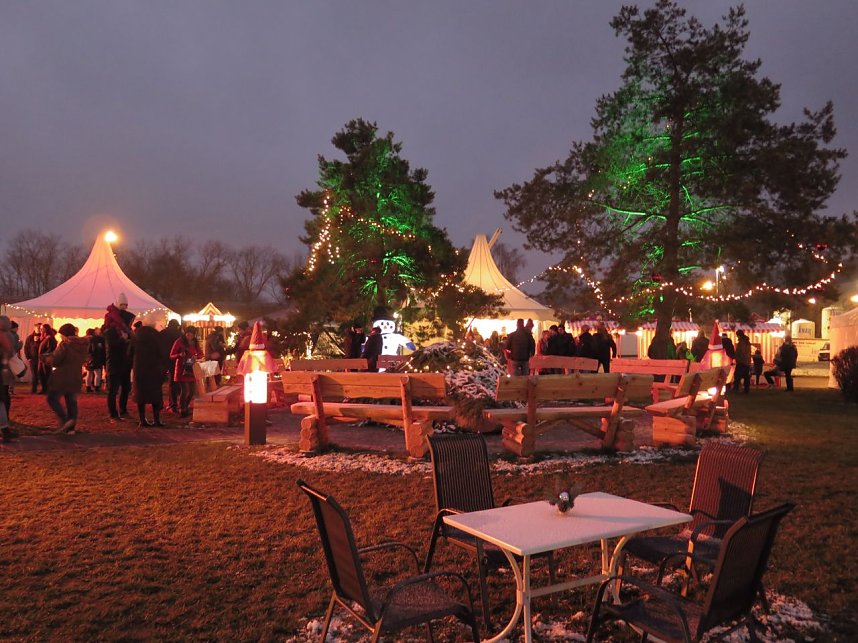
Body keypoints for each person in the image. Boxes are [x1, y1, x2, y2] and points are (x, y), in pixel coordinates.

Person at [46, 323, 89, 435]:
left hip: (62, 376)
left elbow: (56, 360)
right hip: (76, 376)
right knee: (71, 402)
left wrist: (48, 359)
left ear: (64, 334)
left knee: (52, 398)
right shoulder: (83, 345)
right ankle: (71, 428)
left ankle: (64, 420)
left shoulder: (65, 345)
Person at [104, 298, 136, 421]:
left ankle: (123, 410)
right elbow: (111, 345)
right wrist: (123, 339)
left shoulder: (126, 331)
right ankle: (113, 413)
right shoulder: (110, 331)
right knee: (113, 390)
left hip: (124, 363)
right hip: (114, 363)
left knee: (126, 388)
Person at [132, 322, 166, 427]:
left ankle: (142, 420)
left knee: (141, 397)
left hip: (139, 371)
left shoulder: (136, 340)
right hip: (154, 370)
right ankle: (156, 420)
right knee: (155, 396)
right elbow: (162, 354)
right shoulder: (156, 339)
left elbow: (129, 354)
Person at [169, 326, 203, 418]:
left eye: (191, 335)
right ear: (185, 334)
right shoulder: (179, 341)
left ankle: (186, 406)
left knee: (191, 391)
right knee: (185, 391)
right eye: (188, 335)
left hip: (191, 368)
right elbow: (171, 355)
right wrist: (180, 354)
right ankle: (182, 409)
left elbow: (200, 353)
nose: (189, 337)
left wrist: (197, 356)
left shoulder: (195, 342)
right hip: (182, 368)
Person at [159, 319, 183, 413]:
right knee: (174, 383)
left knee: (159, 383)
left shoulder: (162, 333)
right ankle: (173, 404)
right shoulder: (179, 334)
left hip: (162, 360)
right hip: (174, 360)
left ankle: (159, 403)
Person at [37, 324, 58, 394]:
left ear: (45, 329)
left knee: (46, 374)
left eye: (42, 328)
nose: (40, 330)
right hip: (42, 358)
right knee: (41, 373)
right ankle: (44, 389)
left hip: (46, 359)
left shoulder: (50, 338)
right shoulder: (44, 337)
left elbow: (51, 348)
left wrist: (45, 355)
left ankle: (47, 389)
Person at [86, 326, 106, 392]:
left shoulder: (86, 339)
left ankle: (88, 387)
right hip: (96, 358)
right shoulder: (97, 339)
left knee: (89, 373)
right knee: (98, 373)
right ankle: (96, 387)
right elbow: (97, 349)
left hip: (89, 358)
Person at [24, 327, 42, 393]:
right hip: (33, 358)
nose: (39, 330)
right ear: (35, 328)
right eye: (38, 328)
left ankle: (44, 389)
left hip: (41, 359)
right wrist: (28, 357)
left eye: (40, 328)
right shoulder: (30, 337)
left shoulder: (43, 337)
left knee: (41, 374)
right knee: (34, 374)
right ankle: (33, 389)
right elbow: (26, 347)